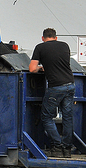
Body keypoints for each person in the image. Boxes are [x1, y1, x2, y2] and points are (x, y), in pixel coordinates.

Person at [29, 28, 75, 158]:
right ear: (56, 37)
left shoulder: (40, 47)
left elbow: (32, 69)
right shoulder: (65, 45)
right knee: (67, 117)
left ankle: (57, 146)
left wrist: (40, 68)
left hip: (56, 87)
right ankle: (67, 149)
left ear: (42, 38)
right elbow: (59, 63)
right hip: (70, 84)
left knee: (46, 117)